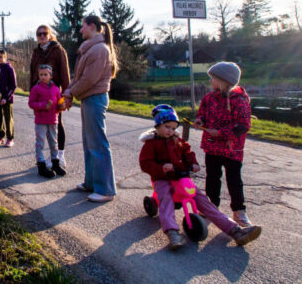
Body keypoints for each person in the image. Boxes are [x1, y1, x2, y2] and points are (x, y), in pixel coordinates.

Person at [140, 104, 262, 250]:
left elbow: (187, 153)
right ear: (158, 125)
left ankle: (235, 230)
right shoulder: (151, 143)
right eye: (167, 127)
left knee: (203, 200)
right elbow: (145, 163)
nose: (170, 131)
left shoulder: (177, 140)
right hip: (162, 178)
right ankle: (172, 232)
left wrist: (193, 163)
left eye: (173, 128)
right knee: (165, 199)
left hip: (181, 177)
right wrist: (162, 168)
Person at [63, 14, 117, 203]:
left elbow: (89, 79)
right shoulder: (91, 49)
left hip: (95, 98)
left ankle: (106, 190)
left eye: (83, 26)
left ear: (92, 26)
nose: (80, 30)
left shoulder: (99, 49)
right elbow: (80, 77)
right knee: (89, 143)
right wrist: (69, 90)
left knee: (98, 144)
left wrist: (71, 92)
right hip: (88, 98)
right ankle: (92, 183)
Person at [194, 62, 253, 227]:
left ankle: (239, 211)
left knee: (234, 180)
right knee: (212, 178)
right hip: (212, 146)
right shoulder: (209, 98)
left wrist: (221, 133)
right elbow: (203, 113)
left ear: (224, 81)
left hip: (232, 149)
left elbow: (243, 125)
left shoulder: (239, 100)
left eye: (213, 78)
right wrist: (200, 121)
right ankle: (211, 208)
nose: (210, 81)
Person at [29, 24, 71, 167]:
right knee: (42, 125)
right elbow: (32, 72)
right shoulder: (36, 52)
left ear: (49, 35)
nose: (42, 36)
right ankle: (48, 156)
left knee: (57, 122)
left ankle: (60, 155)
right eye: (39, 34)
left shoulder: (58, 50)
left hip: (54, 91)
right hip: (39, 91)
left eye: (44, 33)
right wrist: (32, 91)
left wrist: (67, 95)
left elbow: (65, 72)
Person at [28, 64, 66, 178]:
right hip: (41, 120)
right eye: (41, 75)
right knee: (40, 143)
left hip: (53, 120)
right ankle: (41, 165)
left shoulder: (56, 89)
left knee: (54, 143)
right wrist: (44, 105)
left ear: (51, 76)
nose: (43, 77)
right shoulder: (36, 88)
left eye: (45, 74)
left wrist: (61, 106)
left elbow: (58, 104)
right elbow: (31, 103)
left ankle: (55, 163)